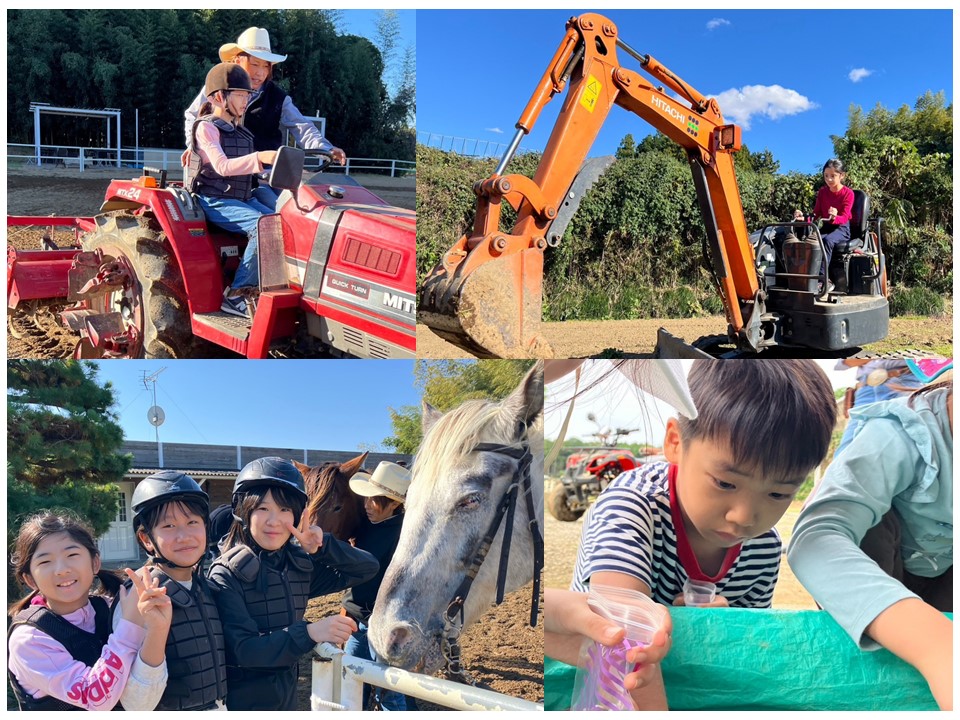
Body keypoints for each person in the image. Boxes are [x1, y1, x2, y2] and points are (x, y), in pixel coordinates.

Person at [571, 359, 837, 709]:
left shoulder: (763, 547)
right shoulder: (632, 508)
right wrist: (679, 625)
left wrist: (720, 629)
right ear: (675, 441)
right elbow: (619, 639)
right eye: (725, 483)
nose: (743, 517)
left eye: (778, 494)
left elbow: (745, 650)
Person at [788, 366, 953, 711]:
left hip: (943, 577)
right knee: (869, 525)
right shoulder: (900, 434)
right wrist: (936, 645)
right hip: (882, 574)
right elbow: (815, 538)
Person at [207, 457, 379, 710]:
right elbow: (243, 650)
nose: (274, 521)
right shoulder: (226, 574)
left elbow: (367, 567)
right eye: (262, 509)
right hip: (241, 700)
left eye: (285, 510)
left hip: (286, 695)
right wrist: (311, 632)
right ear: (243, 511)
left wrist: (322, 547)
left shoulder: (295, 566)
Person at [7, 511, 171, 711]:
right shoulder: (30, 639)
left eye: (72, 555)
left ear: (95, 563)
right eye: (45, 562)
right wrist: (130, 625)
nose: (61, 569)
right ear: (30, 579)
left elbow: (144, 685)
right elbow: (95, 697)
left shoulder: (110, 607)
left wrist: (156, 625)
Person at [184, 26, 346, 211]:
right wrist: (193, 146)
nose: (260, 73)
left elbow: (301, 126)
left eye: (266, 66)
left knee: (306, 208)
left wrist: (325, 148)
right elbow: (193, 116)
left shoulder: (278, 97)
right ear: (237, 60)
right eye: (255, 64)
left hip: (266, 174)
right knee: (279, 215)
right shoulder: (219, 88)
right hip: (223, 178)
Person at [114, 471, 228, 710]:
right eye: (168, 525)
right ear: (146, 538)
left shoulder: (205, 587)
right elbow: (135, 705)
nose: (184, 536)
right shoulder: (139, 597)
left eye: (192, 522)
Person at [190, 62, 277, 318]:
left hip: (242, 196)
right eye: (240, 94)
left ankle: (271, 286)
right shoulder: (207, 127)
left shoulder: (243, 132)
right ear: (219, 97)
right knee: (263, 226)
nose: (246, 100)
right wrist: (261, 157)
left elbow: (250, 170)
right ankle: (237, 295)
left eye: (248, 95)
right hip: (214, 198)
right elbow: (222, 166)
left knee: (287, 219)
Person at [342, 462, 412, 711]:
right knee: (351, 679)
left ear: (394, 503)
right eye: (366, 498)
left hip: (383, 624)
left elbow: (366, 565)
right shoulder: (369, 524)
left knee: (389, 693)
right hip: (359, 619)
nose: (366, 505)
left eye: (374, 500)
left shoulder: (403, 534)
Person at [833, 358, 927, 458]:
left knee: (911, 441)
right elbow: (845, 362)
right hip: (866, 389)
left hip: (904, 381)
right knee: (846, 450)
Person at [793, 158, 855, 293]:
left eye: (833, 176)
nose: (829, 179)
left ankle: (823, 280)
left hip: (842, 228)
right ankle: (806, 279)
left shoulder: (848, 194)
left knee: (826, 241)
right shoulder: (822, 192)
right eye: (826, 176)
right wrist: (802, 218)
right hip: (827, 226)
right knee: (811, 241)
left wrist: (834, 217)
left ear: (842, 176)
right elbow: (816, 214)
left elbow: (844, 217)